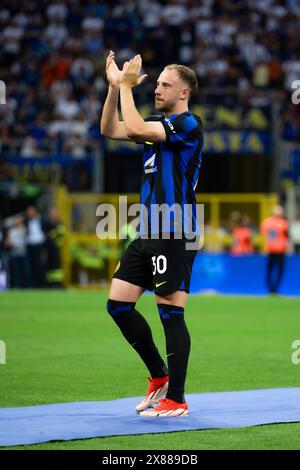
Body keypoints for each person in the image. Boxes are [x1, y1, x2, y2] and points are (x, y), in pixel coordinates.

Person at [100, 51, 204, 417]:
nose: (157, 88)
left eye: (165, 84)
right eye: (156, 83)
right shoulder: (156, 126)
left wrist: (127, 85)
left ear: (184, 92)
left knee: (170, 312)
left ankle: (177, 399)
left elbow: (136, 128)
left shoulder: (188, 124)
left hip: (175, 229)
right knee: (118, 304)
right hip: (149, 229)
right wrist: (115, 88)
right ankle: (158, 376)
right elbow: (111, 129)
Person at [260, 205, 289, 294]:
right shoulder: (283, 223)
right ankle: (274, 289)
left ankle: (270, 289)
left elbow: (263, 235)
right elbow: (287, 235)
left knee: (269, 270)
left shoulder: (266, 222)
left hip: (270, 249)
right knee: (279, 270)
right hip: (280, 249)